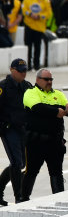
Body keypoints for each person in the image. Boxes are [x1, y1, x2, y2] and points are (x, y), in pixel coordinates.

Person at [21, 69, 68, 201]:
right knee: (32, 171)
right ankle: (23, 198)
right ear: (38, 80)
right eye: (46, 79)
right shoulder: (31, 92)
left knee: (56, 172)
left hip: (55, 141)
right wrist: (56, 111)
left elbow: (66, 110)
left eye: (51, 80)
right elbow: (37, 108)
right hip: (36, 141)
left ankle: (59, 198)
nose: (49, 82)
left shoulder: (58, 94)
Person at [0, 59, 33, 205]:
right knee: (16, 162)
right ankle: (18, 197)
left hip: (23, 129)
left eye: (25, 70)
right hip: (8, 129)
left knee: (20, 164)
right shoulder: (3, 87)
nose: (23, 73)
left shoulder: (26, 86)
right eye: (20, 71)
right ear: (12, 70)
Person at [22, 0, 51, 70]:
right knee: (28, 46)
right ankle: (28, 65)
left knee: (37, 47)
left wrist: (40, 16)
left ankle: (36, 65)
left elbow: (48, 13)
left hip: (39, 27)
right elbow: (24, 9)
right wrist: (30, 14)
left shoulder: (46, 1)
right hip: (29, 25)